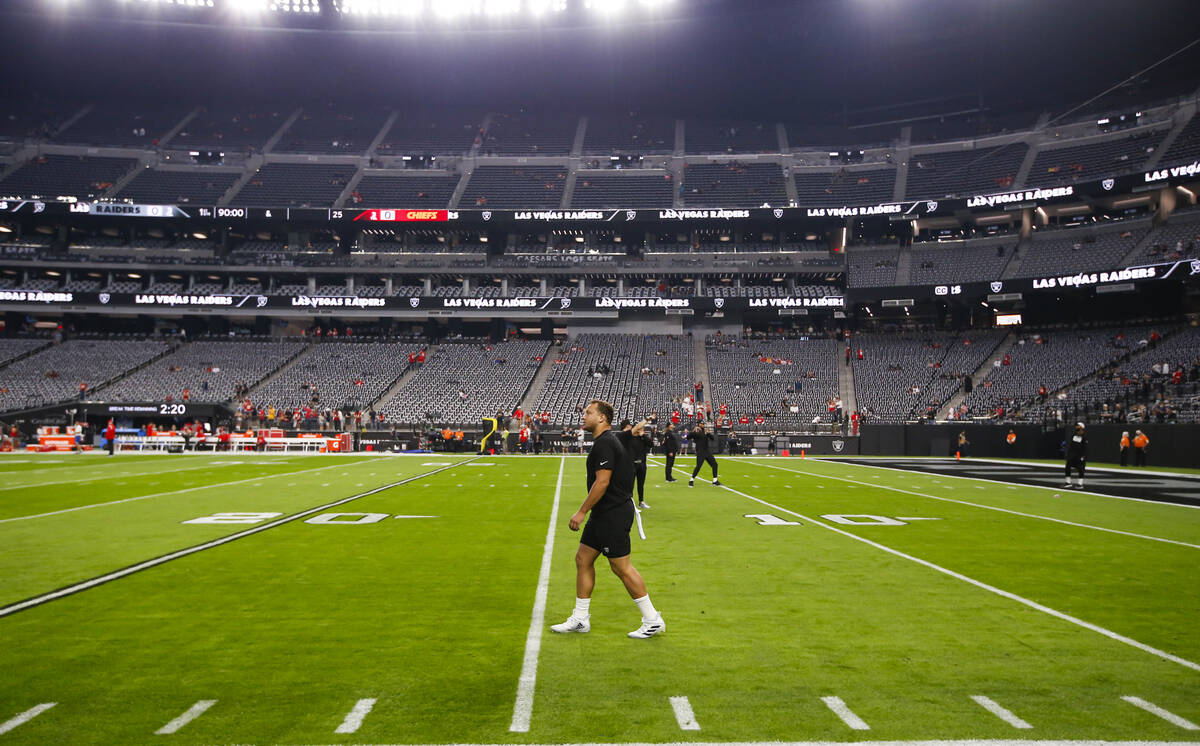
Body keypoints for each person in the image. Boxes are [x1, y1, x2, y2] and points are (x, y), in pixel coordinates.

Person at [551, 400, 665, 639]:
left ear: (602, 417)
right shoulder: (610, 439)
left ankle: (652, 619)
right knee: (583, 558)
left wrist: (581, 511)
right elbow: (630, 432)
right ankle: (581, 618)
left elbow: (602, 482)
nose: (584, 416)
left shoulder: (604, 444)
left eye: (588, 413)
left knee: (620, 567)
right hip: (603, 513)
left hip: (613, 512)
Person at [619, 418, 654, 510]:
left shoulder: (642, 438)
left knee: (640, 484)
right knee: (630, 485)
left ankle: (641, 501)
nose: (640, 430)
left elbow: (651, 444)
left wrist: (643, 436)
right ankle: (630, 504)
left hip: (642, 464)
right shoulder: (629, 438)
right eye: (638, 428)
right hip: (631, 464)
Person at [688, 420, 720, 487]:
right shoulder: (697, 431)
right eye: (701, 423)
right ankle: (691, 480)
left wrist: (708, 433)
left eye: (703, 423)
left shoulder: (705, 431)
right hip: (700, 451)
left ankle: (715, 480)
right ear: (699, 424)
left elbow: (712, 438)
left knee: (715, 464)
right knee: (698, 466)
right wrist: (692, 431)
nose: (703, 424)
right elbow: (688, 437)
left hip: (707, 451)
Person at [1065, 422, 1088, 490]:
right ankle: (1068, 482)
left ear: (1082, 428)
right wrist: (1068, 454)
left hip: (1079, 456)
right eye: (1076, 427)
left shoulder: (1084, 437)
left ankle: (1080, 484)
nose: (1077, 428)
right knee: (1067, 467)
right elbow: (1071, 446)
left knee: (1081, 469)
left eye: (1078, 427)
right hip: (1072, 456)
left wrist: (1083, 456)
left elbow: (1085, 448)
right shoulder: (1073, 435)